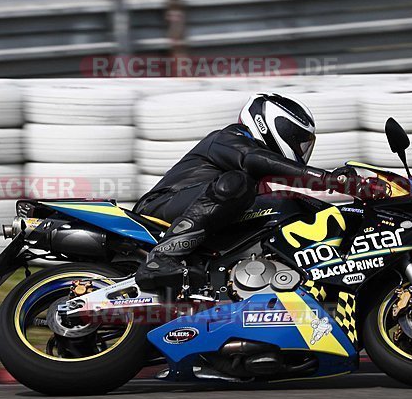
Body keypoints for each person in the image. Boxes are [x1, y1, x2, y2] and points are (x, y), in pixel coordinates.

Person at [133, 92, 353, 290]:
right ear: (270, 124)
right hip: (160, 205)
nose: (300, 150)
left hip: (197, 212)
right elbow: (253, 159)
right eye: (298, 140)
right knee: (237, 183)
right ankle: (160, 259)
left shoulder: (257, 176)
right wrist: (328, 179)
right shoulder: (229, 138)